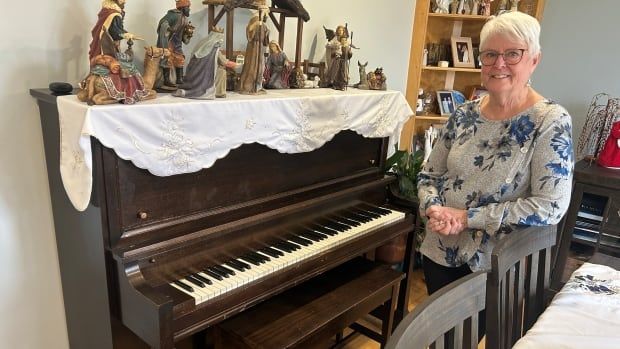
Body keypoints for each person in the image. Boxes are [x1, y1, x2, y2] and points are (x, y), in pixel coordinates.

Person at [417, 11, 573, 337]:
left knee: (475, 340)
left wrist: (467, 217)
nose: (498, 63)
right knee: (443, 341)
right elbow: (429, 175)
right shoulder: (462, 114)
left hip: (496, 264)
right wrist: (434, 209)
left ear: (534, 60)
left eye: (512, 53)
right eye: (490, 54)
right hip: (440, 250)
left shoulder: (550, 121)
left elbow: (550, 206)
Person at [173, 27, 237, 99]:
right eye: (220, 37)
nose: (221, 40)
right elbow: (225, 63)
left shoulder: (202, 43)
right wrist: (238, 64)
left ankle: (188, 90)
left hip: (192, 73)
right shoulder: (214, 46)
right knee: (222, 72)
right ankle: (219, 93)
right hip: (204, 74)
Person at [157, 0, 193, 89]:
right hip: (169, 41)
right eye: (188, 7)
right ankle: (166, 80)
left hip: (177, 43)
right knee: (167, 59)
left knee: (180, 59)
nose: (189, 10)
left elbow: (183, 34)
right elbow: (163, 22)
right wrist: (169, 29)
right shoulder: (174, 15)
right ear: (183, 8)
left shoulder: (185, 18)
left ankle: (179, 79)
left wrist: (188, 33)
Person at [238, 8, 270, 94]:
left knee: (260, 67)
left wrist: (267, 32)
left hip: (260, 48)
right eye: (266, 13)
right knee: (253, 66)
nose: (267, 15)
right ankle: (249, 86)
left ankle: (258, 86)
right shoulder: (255, 20)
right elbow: (249, 30)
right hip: (254, 48)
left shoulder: (262, 23)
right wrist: (256, 24)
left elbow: (265, 40)